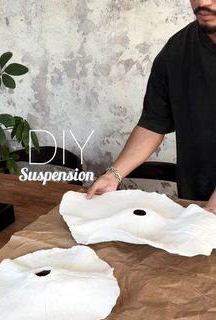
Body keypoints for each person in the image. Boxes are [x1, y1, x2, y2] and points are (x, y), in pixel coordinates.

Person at [86, 0, 216, 215]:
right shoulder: (176, 50)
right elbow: (153, 124)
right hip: (197, 204)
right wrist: (114, 175)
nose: (203, 2)